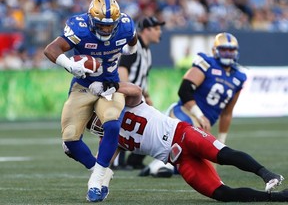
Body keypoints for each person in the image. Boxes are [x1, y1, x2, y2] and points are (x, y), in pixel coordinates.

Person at [88, 81, 286, 202]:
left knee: (223, 155)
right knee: (221, 193)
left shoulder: (127, 104)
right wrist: (76, 151)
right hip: (179, 161)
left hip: (183, 134)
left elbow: (135, 90)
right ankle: (278, 197)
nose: (96, 124)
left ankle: (267, 174)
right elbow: (101, 165)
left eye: (95, 118)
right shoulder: (111, 138)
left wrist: (108, 85)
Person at [43, 0, 138, 202]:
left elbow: (132, 41)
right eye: (101, 26)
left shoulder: (125, 25)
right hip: (83, 86)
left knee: (112, 125)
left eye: (109, 26)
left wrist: (130, 50)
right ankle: (102, 170)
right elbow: (51, 49)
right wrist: (71, 65)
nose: (106, 30)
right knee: (70, 142)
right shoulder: (80, 27)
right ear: (91, 20)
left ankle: (96, 181)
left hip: (109, 86)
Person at [141, 32, 247, 177]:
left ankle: (155, 166)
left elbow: (227, 112)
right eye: (224, 49)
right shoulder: (207, 63)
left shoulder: (239, 77)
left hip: (202, 124)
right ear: (215, 50)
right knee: (180, 144)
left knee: (194, 164)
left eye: (231, 50)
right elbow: (184, 91)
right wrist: (199, 114)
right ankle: (159, 166)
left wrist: (221, 141)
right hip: (184, 112)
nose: (228, 53)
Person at [115, 16, 165, 170]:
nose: (160, 32)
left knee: (149, 127)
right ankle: (117, 161)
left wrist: (147, 96)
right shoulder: (134, 46)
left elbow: (142, 77)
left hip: (138, 97)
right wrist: (126, 94)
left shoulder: (147, 51)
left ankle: (134, 161)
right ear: (146, 30)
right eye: (156, 29)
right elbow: (122, 69)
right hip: (130, 96)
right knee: (123, 127)